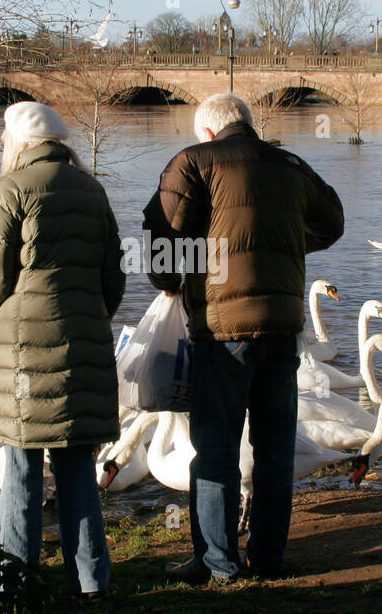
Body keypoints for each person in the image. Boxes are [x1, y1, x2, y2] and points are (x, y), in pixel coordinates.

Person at [142, 93, 344, 582]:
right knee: (275, 450)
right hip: (283, 327)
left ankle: (218, 563)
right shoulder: (292, 163)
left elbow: (161, 240)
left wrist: (174, 280)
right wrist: (287, 242)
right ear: (247, 125)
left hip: (221, 330)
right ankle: (269, 559)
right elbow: (333, 223)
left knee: (216, 448)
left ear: (208, 132)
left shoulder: (192, 162)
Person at [0, 101, 124, 597]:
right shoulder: (92, 190)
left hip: (24, 355)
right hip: (83, 348)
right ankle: (92, 582)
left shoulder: (9, 190)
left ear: (17, 142)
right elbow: (113, 280)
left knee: (20, 467)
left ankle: (18, 582)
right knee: (78, 465)